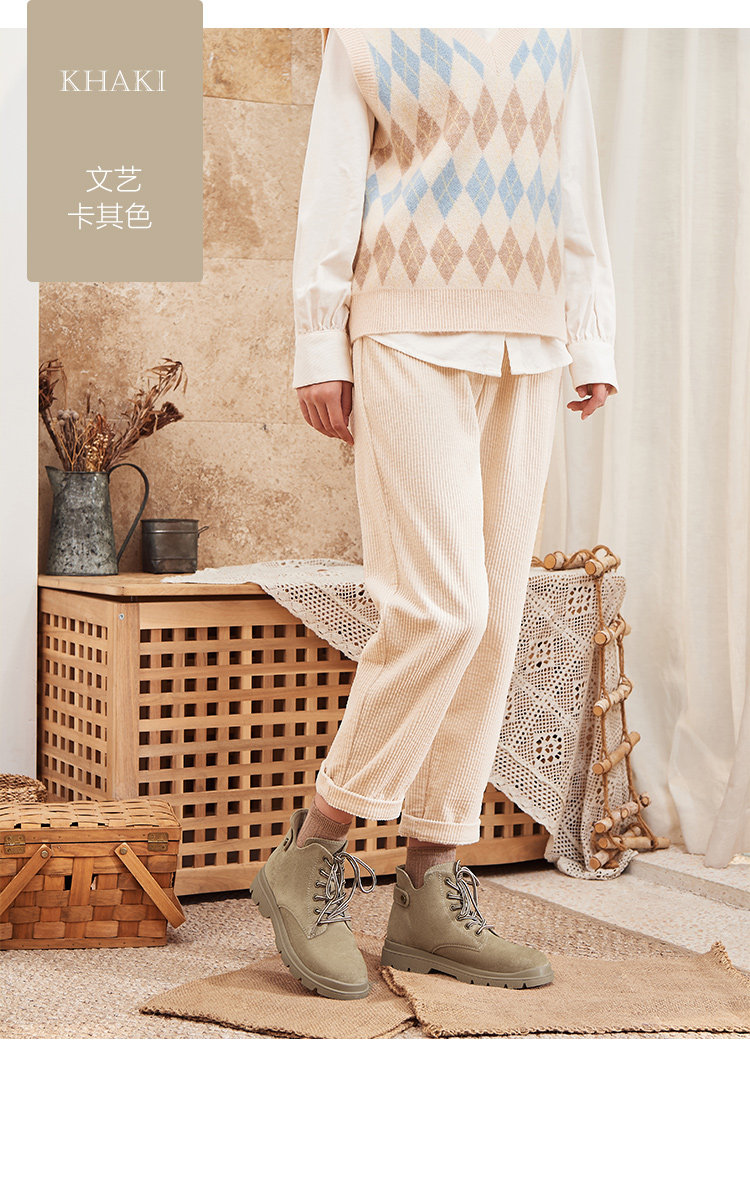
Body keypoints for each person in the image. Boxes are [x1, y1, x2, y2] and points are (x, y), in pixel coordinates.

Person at [250, 27, 618, 1000]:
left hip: (529, 343)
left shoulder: (555, 31)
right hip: (405, 330)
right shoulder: (368, 26)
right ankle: (314, 846)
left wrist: (590, 339)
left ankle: (428, 886)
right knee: (440, 609)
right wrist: (319, 344)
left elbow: (571, 184)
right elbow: (334, 188)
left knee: (493, 624)